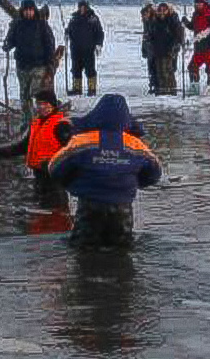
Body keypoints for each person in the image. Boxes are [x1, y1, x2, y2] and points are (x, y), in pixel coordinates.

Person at [46, 93, 163, 249]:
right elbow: (155, 172)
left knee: (84, 249)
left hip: (89, 204)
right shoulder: (134, 144)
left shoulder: (82, 141)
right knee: (121, 250)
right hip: (122, 206)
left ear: (96, 114)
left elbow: (54, 167)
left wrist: (73, 183)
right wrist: (135, 182)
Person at [3, 0, 57, 120]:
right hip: (22, 66)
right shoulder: (17, 24)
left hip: (38, 65)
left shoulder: (41, 24)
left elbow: (49, 44)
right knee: (24, 95)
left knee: (37, 92)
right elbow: (11, 40)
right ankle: (27, 121)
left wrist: (50, 64)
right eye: (26, 10)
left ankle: (39, 119)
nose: (28, 12)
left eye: (30, 10)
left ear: (34, 11)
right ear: (22, 11)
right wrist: (7, 46)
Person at [145, 1, 186, 95]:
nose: (162, 12)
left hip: (169, 50)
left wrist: (175, 47)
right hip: (158, 50)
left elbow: (178, 36)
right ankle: (162, 90)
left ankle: (170, 90)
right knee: (159, 71)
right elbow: (153, 34)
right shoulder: (156, 21)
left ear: (168, 11)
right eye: (160, 10)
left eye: (164, 10)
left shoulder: (172, 21)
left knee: (167, 70)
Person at [65, 0, 105, 96]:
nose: (82, 9)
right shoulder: (74, 18)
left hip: (88, 49)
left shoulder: (93, 18)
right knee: (76, 69)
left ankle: (92, 89)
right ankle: (77, 89)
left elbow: (99, 33)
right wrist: (67, 32)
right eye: (80, 7)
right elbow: (70, 30)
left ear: (87, 8)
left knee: (90, 69)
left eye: (84, 7)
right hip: (75, 49)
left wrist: (99, 44)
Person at [186, 0, 210, 90]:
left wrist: (200, 36)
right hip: (199, 46)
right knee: (192, 67)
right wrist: (186, 23)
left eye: (199, 3)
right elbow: (193, 27)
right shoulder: (195, 14)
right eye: (196, 3)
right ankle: (194, 87)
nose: (197, 5)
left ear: (203, 3)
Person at [139, 1, 158, 94]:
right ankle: (152, 84)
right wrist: (144, 48)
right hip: (149, 48)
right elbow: (145, 36)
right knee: (151, 67)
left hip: (155, 48)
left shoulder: (154, 20)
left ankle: (156, 85)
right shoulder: (146, 22)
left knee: (155, 67)